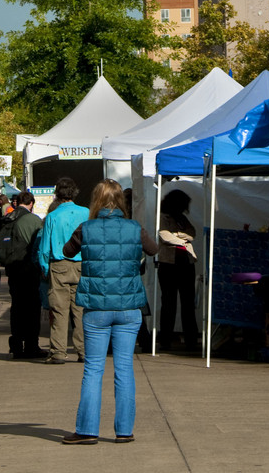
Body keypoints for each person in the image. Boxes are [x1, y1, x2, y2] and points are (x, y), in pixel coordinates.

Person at [62, 179, 157, 445]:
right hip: (128, 307)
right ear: (121, 202)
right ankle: (124, 431)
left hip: (97, 308)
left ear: (97, 201)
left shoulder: (86, 228)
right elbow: (153, 249)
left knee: (93, 369)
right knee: (124, 369)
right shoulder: (134, 228)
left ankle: (87, 430)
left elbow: (67, 251)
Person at [37, 177, 89, 364]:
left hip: (59, 265)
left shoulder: (52, 216)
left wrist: (44, 267)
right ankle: (84, 350)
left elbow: (44, 248)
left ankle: (58, 352)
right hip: (82, 264)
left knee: (59, 310)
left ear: (57, 194)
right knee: (81, 310)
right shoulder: (86, 213)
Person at [2, 190, 46, 359]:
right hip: (29, 270)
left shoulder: (8, 219)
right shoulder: (33, 220)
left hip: (13, 270)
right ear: (31, 203)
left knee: (17, 307)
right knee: (33, 309)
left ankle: (16, 345)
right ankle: (31, 345)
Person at [157, 189, 198, 351]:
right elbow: (165, 236)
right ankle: (165, 340)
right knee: (169, 303)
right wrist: (183, 238)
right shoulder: (162, 217)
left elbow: (192, 233)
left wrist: (179, 236)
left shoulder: (182, 218)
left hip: (186, 263)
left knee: (188, 303)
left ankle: (191, 340)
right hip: (168, 264)